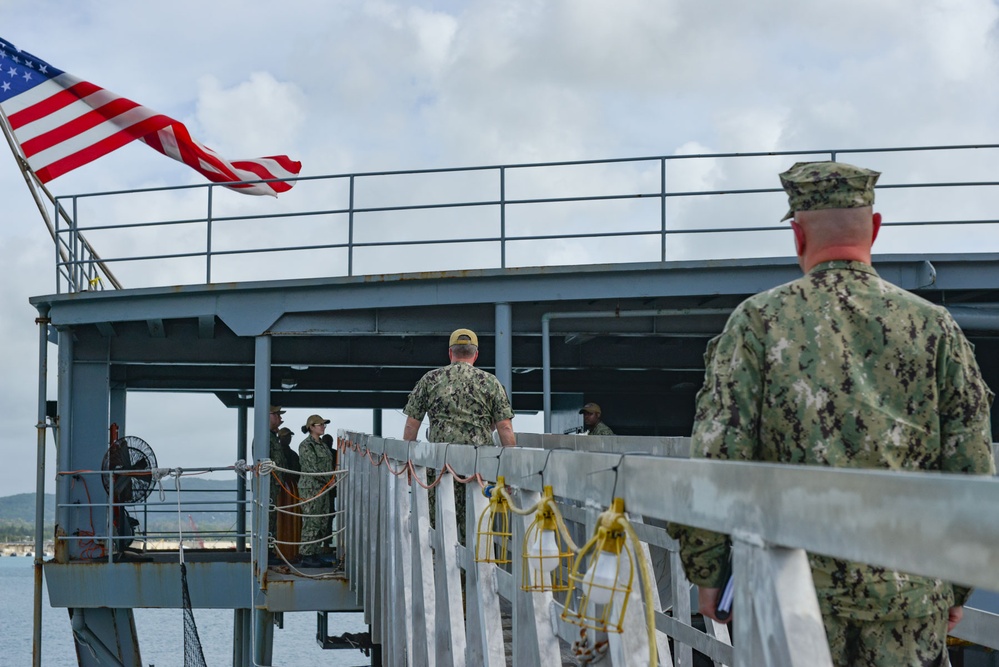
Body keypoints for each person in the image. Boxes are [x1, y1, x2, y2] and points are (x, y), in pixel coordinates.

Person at [669, 161, 994, 667]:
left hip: (787, 597)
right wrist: (956, 585)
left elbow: (717, 456)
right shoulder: (937, 329)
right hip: (907, 600)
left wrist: (708, 573)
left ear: (797, 235)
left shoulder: (756, 323)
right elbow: (972, 470)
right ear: (876, 228)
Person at [403, 328, 516, 543]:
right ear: (475, 354)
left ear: (450, 353)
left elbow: (411, 425)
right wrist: (510, 471)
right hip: (479, 469)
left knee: (442, 529)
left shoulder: (430, 379)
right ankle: (472, 575)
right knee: (478, 529)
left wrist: (409, 462)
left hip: (441, 467)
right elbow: (505, 429)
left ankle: (443, 573)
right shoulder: (490, 382)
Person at [298, 414, 337, 568]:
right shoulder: (306, 445)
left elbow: (328, 464)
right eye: (320, 425)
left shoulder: (322, 445)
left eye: (323, 424)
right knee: (312, 521)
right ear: (311, 427)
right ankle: (307, 555)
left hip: (323, 488)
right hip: (311, 488)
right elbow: (311, 468)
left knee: (321, 521)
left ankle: (315, 552)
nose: (323, 427)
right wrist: (329, 480)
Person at [273, 427, 302, 563]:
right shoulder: (276, 452)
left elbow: (298, 472)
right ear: (280, 438)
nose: (288, 438)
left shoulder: (293, 455)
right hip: (280, 493)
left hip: (293, 491)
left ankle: (292, 552)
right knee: (279, 522)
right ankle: (278, 552)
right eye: (285, 436)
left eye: (289, 436)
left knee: (294, 521)